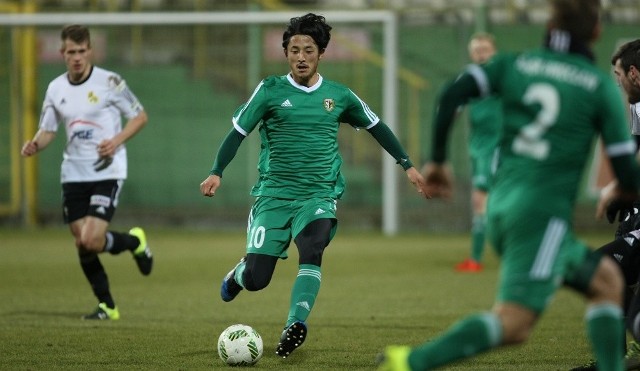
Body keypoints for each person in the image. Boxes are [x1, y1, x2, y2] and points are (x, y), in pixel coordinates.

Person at [377, 0, 640, 370]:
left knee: (605, 282)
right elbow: (627, 169)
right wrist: (623, 191)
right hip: (541, 216)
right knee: (514, 323)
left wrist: (437, 160)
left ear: (549, 23)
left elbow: (452, 93)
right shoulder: (596, 85)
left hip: (502, 202)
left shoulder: (515, 64)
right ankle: (408, 362)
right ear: (596, 31)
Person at [199, 13, 430, 359]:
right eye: (294, 50)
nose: (301, 57)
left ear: (321, 52)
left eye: (308, 49)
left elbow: (376, 125)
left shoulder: (339, 95)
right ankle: (239, 275)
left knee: (314, 248)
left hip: (319, 195)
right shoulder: (270, 90)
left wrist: (407, 165)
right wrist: (217, 170)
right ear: (286, 54)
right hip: (274, 197)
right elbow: (237, 133)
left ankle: (296, 323)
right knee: (259, 279)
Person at [20, 24, 152, 320]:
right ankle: (108, 303)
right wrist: (34, 145)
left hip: (107, 170)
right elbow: (48, 130)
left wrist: (116, 141)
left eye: (81, 51)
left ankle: (133, 244)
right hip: (73, 174)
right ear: (62, 53)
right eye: (71, 52)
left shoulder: (111, 82)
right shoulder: (55, 88)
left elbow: (140, 116)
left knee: (91, 240)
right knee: (83, 243)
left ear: (89, 50)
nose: (77, 57)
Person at [572, 38, 640, 371]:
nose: (616, 82)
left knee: (603, 271)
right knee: (606, 275)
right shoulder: (638, 106)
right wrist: (621, 191)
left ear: (634, 74)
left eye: (618, 75)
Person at [423, 32, 502, 273]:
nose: (481, 54)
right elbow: (449, 108)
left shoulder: (500, 77)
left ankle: (477, 259)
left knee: (483, 200)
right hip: (479, 147)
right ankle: (478, 258)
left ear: (494, 52)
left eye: (485, 49)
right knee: (484, 202)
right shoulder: (469, 83)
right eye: (476, 50)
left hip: (498, 146)